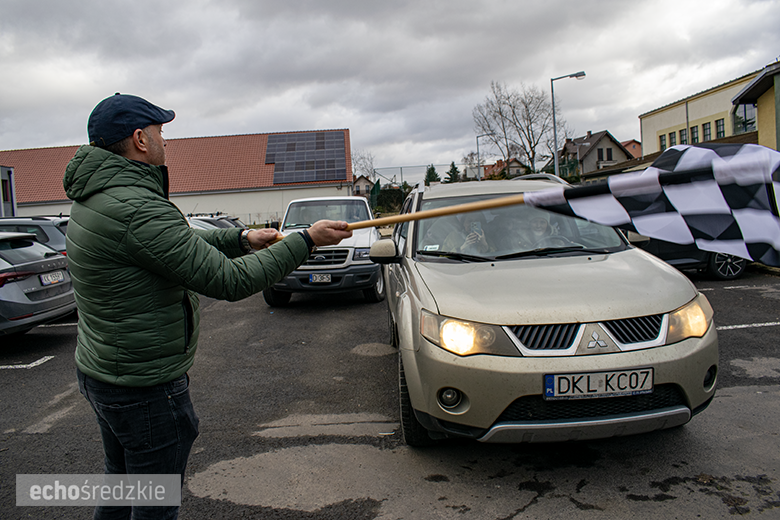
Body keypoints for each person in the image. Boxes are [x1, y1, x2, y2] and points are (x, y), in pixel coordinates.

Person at [64, 93, 352, 520]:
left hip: (105, 372)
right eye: (161, 132)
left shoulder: (101, 197)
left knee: (122, 483)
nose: (167, 141)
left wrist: (240, 239)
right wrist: (304, 241)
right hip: (144, 387)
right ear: (140, 139)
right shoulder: (137, 208)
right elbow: (230, 282)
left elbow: (171, 246)